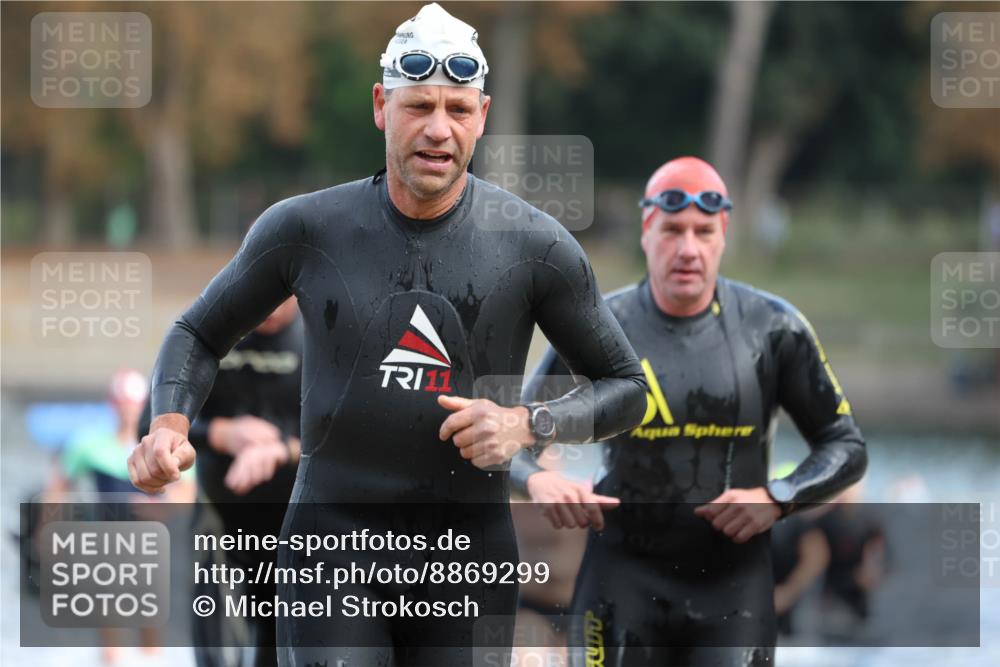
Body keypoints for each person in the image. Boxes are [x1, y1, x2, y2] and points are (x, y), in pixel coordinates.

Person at [128, 4, 647, 666]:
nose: (438, 129)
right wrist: (168, 426)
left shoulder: (536, 247)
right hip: (330, 549)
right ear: (381, 106)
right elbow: (198, 331)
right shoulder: (307, 230)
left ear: (482, 117)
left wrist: (527, 423)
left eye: (458, 109)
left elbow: (626, 386)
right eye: (418, 106)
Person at [511, 156, 868, 666]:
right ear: (646, 231)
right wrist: (538, 482)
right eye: (673, 230)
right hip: (621, 579)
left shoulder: (773, 330)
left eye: (703, 232)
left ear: (723, 234)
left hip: (732, 589)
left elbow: (846, 446)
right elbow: (514, 440)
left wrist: (779, 496)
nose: (688, 249)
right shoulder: (599, 326)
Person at [138, 297, 303, 667]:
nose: (271, 303)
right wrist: (222, 434)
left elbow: (350, 436)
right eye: (266, 288)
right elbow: (144, 427)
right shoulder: (210, 336)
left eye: (283, 292)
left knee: (277, 645)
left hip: (296, 525)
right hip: (219, 522)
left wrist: (282, 449)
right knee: (214, 646)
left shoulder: (321, 335)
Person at [45, 368, 195, 665]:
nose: (128, 410)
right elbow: (56, 489)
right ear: (113, 404)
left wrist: (162, 507)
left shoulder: (163, 448)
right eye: (123, 403)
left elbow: (187, 494)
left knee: (151, 634)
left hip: (153, 545)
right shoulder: (89, 444)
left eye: (134, 403)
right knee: (112, 632)